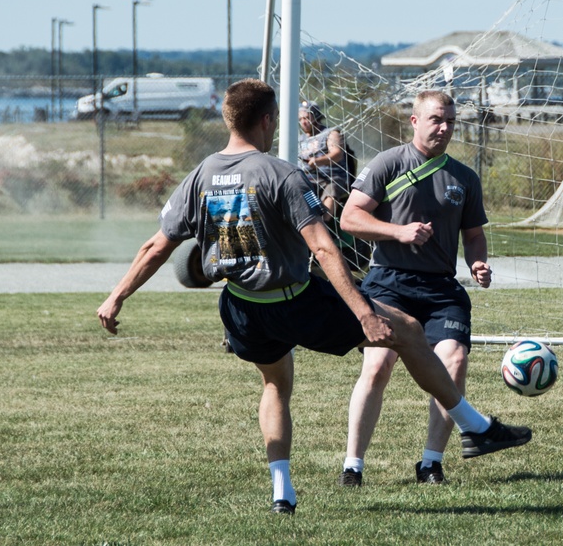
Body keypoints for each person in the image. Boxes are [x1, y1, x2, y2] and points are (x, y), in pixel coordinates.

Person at [96, 80, 531, 515]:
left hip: (241, 307)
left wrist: (116, 297)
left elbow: (156, 246)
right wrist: (363, 312)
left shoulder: (201, 174)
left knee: (275, 385)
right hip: (294, 301)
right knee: (409, 331)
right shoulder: (282, 174)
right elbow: (324, 248)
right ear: (268, 120)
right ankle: (475, 426)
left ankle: (282, 491)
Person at [337, 89, 491, 487]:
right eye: (437, 119)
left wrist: (477, 260)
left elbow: (473, 234)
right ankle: (353, 466)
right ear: (415, 121)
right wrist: (398, 232)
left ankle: (430, 464)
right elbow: (349, 219)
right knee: (377, 365)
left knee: (453, 360)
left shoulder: (464, 177)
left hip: (441, 289)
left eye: (451, 121)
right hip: (389, 281)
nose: (444, 127)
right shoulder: (389, 163)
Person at [298, 100, 356, 222]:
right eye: (301, 119)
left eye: (307, 118)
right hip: (309, 178)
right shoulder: (299, 139)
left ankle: (323, 223)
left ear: (316, 116)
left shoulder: (331, 133)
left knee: (332, 188)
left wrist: (318, 161)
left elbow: (337, 154)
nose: (303, 122)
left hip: (332, 177)